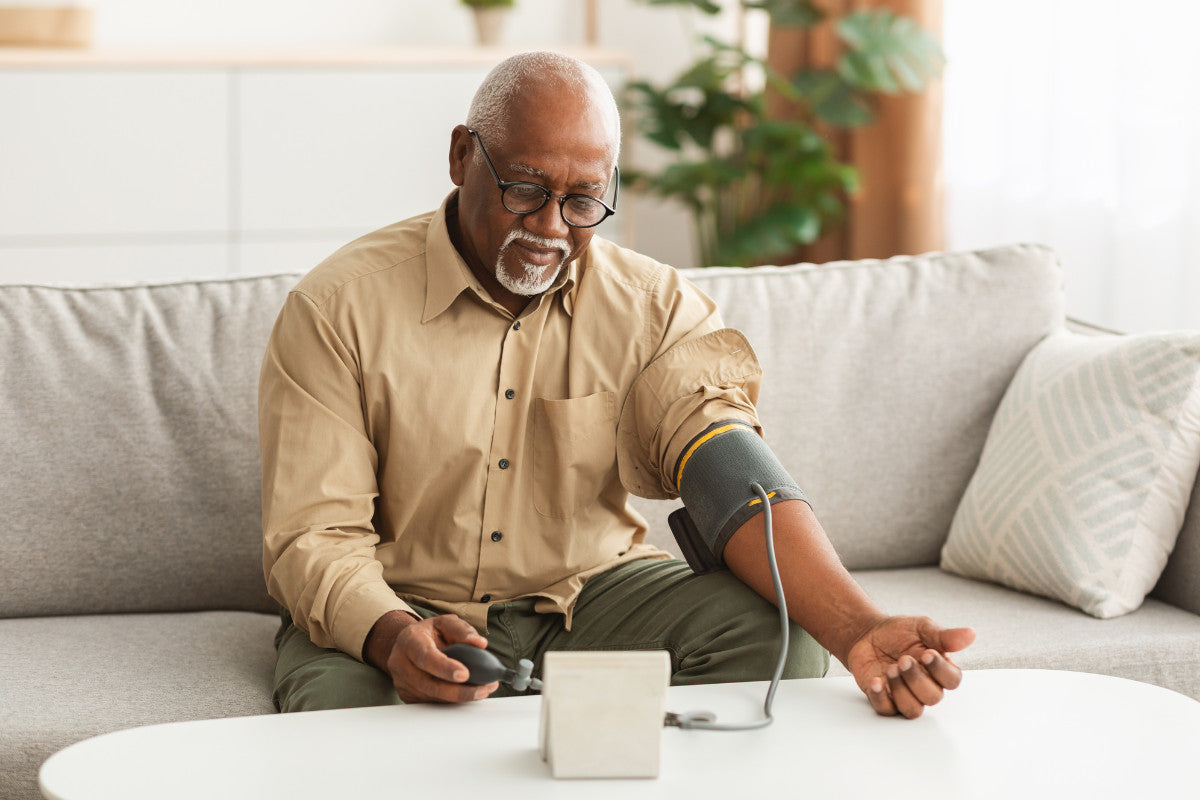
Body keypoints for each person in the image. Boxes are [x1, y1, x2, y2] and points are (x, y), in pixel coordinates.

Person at [258, 50, 974, 721]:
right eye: (525, 188)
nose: (549, 226)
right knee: (338, 719)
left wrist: (859, 627)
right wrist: (389, 636)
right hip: (399, 601)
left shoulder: (655, 307)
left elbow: (728, 475)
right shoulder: (337, 308)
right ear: (460, 157)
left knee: (776, 636)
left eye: (581, 200)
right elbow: (313, 537)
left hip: (588, 597)